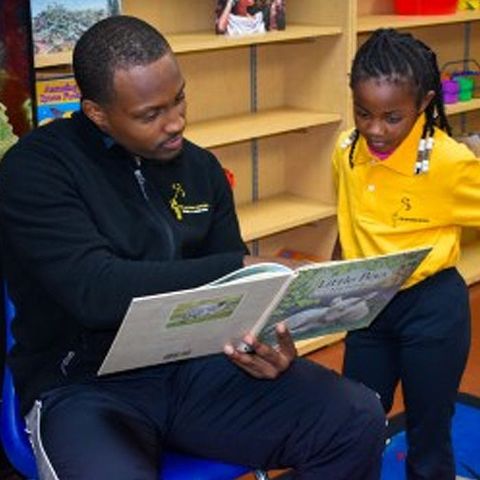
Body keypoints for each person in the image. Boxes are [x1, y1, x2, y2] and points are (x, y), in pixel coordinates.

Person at [0, 15, 385, 480]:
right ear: (97, 112)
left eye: (178, 98)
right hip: (83, 388)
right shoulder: (34, 170)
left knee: (354, 418)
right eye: (150, 114)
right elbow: (95, 290)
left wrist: (262, 345)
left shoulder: (200, 168)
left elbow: (239, 297)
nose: (176, 121)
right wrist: (235, 265)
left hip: (197, 370)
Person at [332, 28, 480, 480]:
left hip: (431, 308)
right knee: (357, 421)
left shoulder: (450, 163)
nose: (375, 128)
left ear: (423, 103)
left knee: (429, 429)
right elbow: (348, 222)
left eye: (392, 117)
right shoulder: (345, 151)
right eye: (363, 113)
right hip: (368, 307)